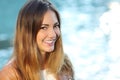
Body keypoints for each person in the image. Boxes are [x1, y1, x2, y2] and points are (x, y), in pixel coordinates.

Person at [0, 0, 74, 80]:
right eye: (44, 27)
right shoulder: (10, 75)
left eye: (56, 26)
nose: (53, 34)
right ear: (27, 32)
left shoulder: (64, 64)